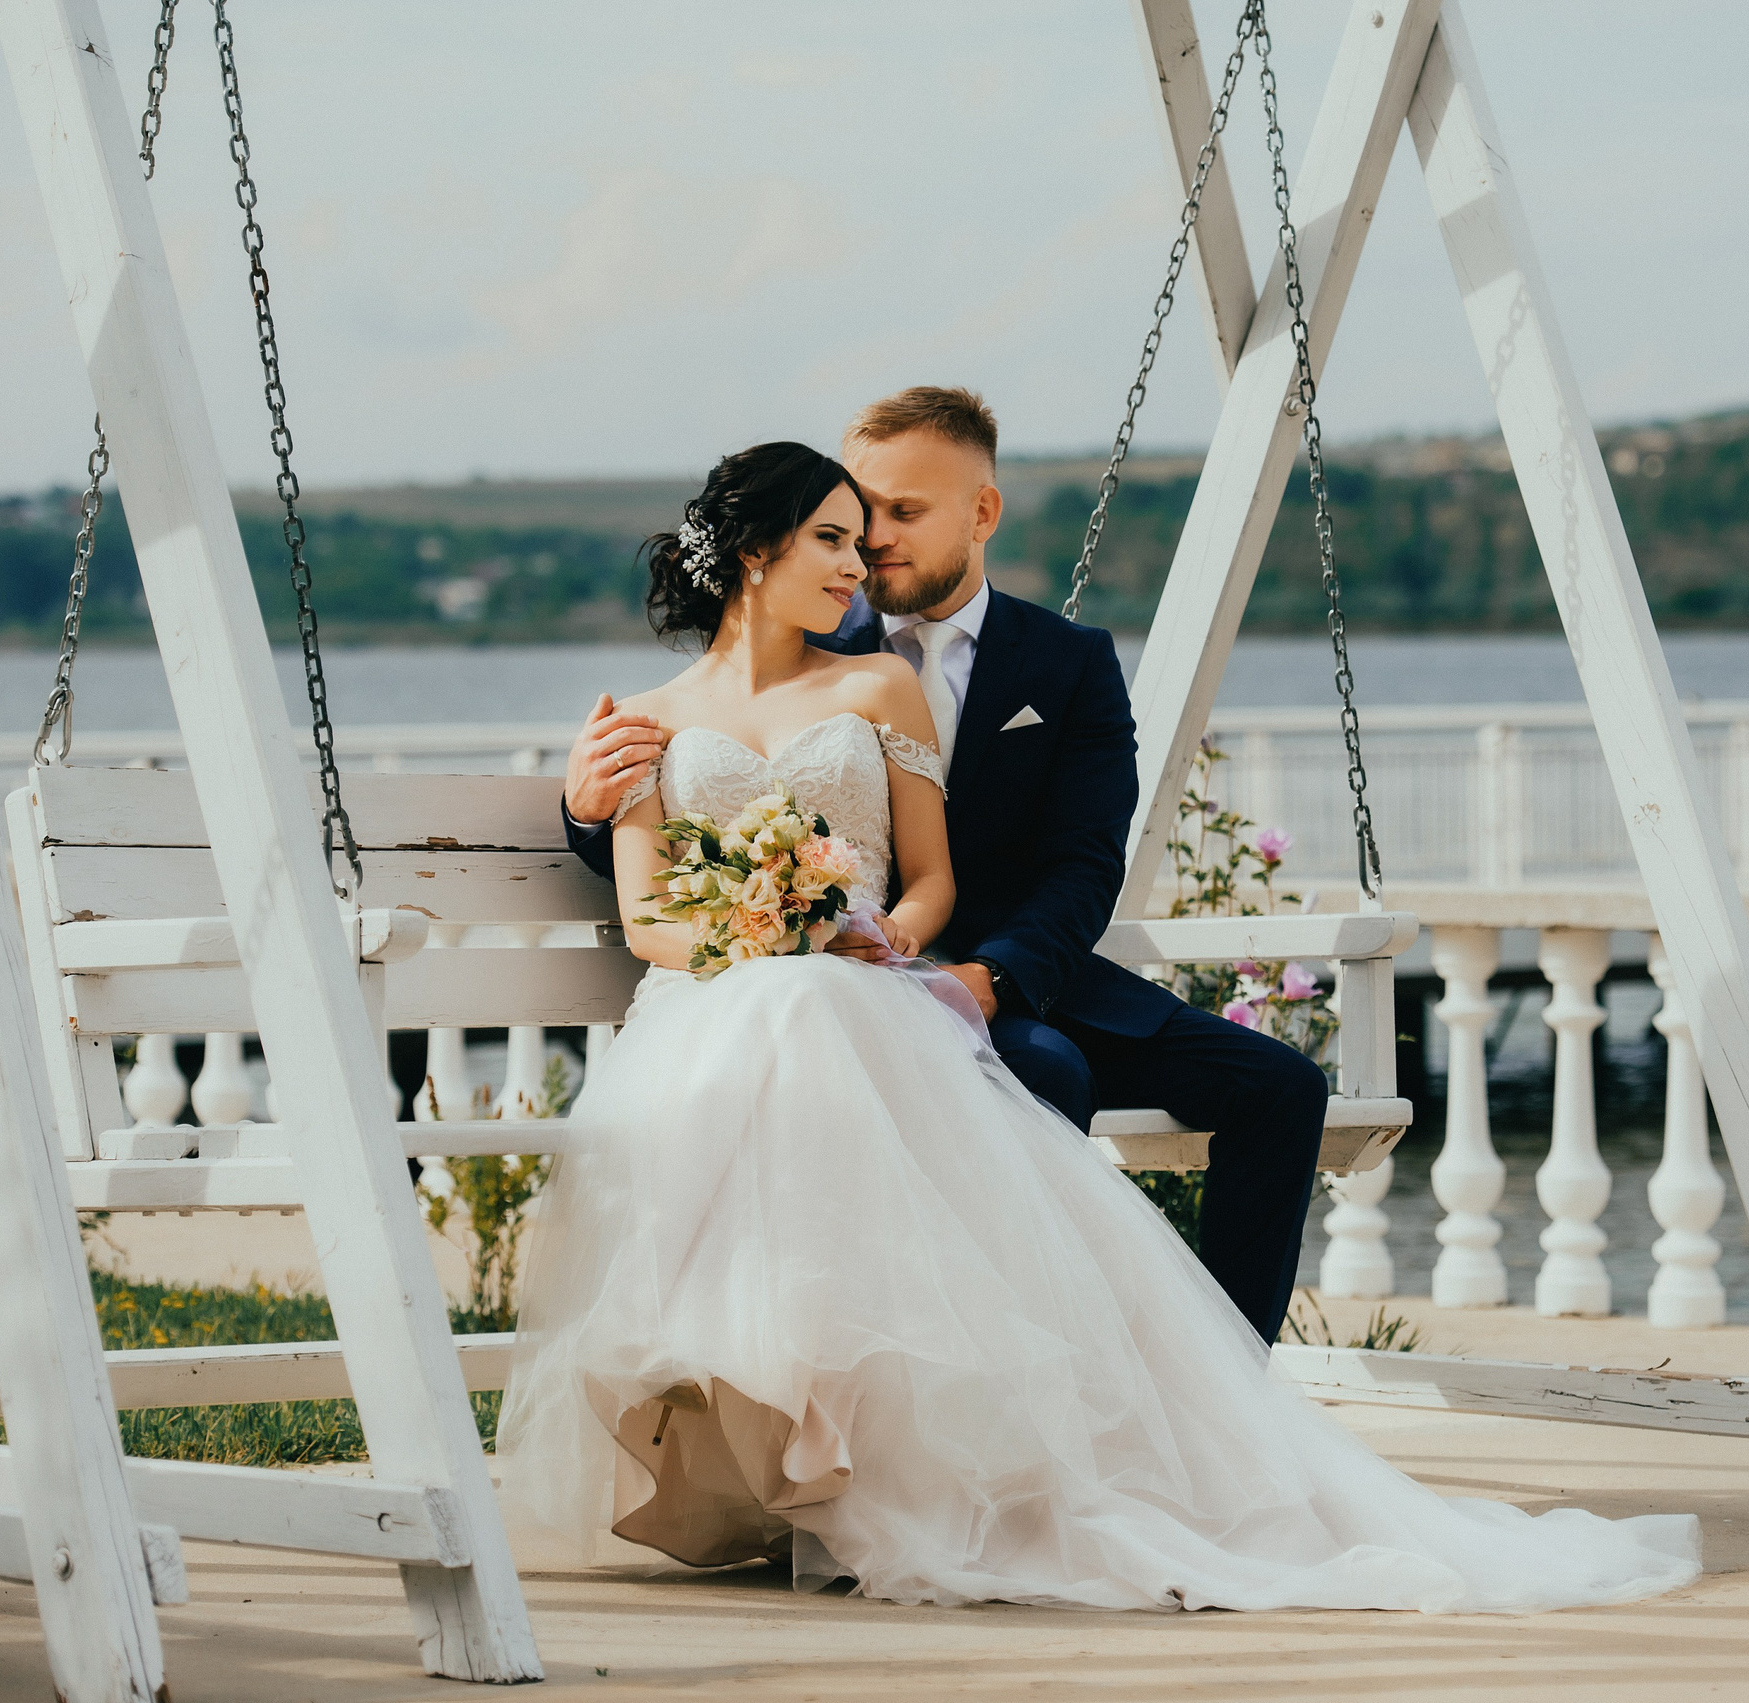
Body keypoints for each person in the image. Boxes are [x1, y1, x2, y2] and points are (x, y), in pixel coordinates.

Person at [495, 435, 1699, 1612]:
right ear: (756, 547)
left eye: (886, 525)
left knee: (1257, 1084)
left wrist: (936, 958)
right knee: (923, 1051)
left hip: (960, 975)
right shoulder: (674, 704)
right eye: (844, 532)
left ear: (984, 509)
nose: (867, 556)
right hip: (783, 992)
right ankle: (836, 1454)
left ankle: (1200, 1404)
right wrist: (606, 825)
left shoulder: (1007, 666)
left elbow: (1037, 868)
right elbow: (650, 887)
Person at [562, 387, 1328, 1346]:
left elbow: (1087, 862)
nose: (870, 542)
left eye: (902, 513)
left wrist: (989, 979)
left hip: (1017, 972)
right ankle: (1023, 1372)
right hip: (834, 991)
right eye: (855, 514)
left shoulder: (1069, 663)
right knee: (1041, 1079)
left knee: (1282, 1088)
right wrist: (587, 811)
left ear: (983, 513)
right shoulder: (803, 631)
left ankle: (1223, 1383)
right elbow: (692, 803)